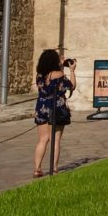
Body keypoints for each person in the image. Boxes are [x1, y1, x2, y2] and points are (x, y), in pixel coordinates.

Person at [33, 49, 76, 177]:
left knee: (42, 139)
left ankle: (37, 168)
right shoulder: (59, 74)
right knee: (55, 139)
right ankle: (55, 168)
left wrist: (61, 66)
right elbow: (71, 86)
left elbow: (48, 84)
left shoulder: (39, 75)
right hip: (56, 108)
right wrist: (72, 70)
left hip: (41, 107)